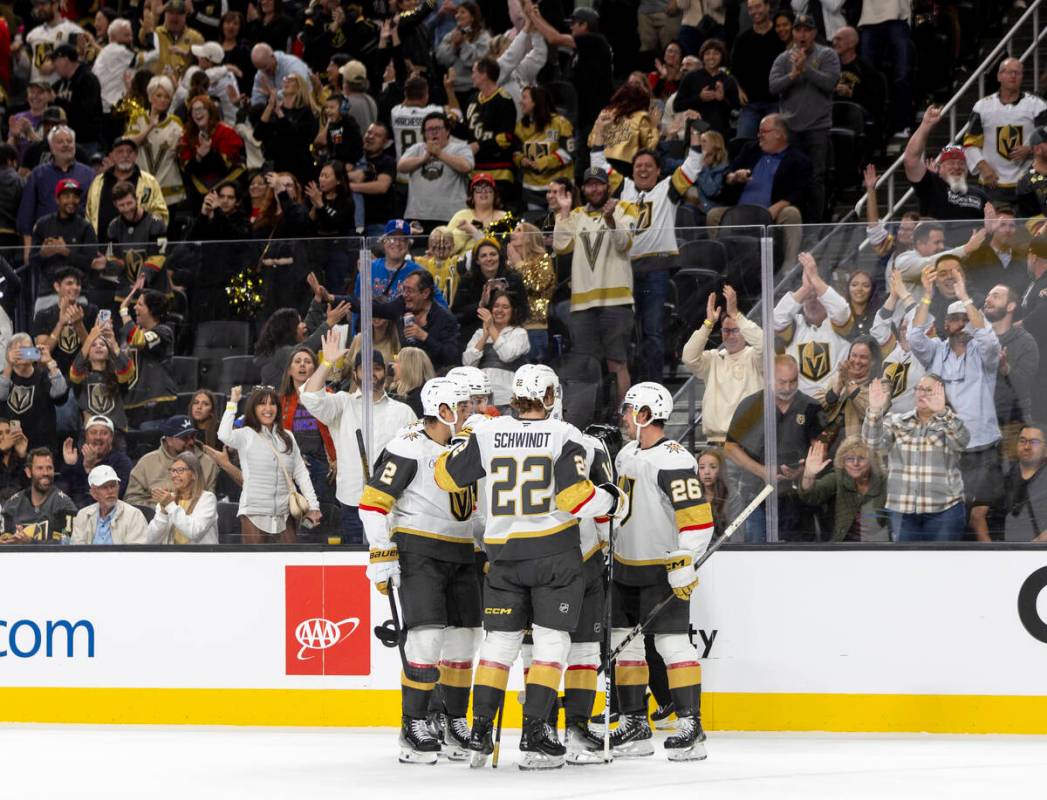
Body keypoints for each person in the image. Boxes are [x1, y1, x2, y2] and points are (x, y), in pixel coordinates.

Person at [434, 363, 627, 769]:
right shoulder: (565, 435)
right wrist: (611, 500)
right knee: (552, 644)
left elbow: (447, 477)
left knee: (498, 645)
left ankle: (481, 729)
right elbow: (575, 497)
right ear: (552, 396)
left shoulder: (487, 432)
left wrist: (461, 437)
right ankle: (535, 729)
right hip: (553, 555)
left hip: (503, 557)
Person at [357, 377, 478, 763]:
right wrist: (382, 553)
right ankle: (414, 723)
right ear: (442, 410)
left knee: (464, 642)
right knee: (425, 640)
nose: (467, 413)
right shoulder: (406, 445)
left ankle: (454, 720)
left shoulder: (467, 446)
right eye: (461, 407)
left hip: (462, 552)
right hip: (420, 551)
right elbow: (373, 503)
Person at [607, 381, 712, 760]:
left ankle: (691, 724)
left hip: (660, 567)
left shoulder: (674, 458)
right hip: (624, 565)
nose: (622, 416)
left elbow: (698, 519)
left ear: (645, 414)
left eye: (628, 409)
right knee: (626, 646)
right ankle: (634, 723)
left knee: (671, 644)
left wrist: (685, 559)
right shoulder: (626, 454)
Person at [590, 123, 702, 382]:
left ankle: (655, 388)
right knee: (627, 333)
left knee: (652, 332)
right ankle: (633, 387)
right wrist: (599, 133)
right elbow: (597, 163)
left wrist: (695, 131)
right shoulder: (623, 188)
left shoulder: (668, 190)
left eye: (648, 166)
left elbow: (694, 164)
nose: (642, 169)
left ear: (658, 170)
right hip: (624, 271)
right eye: (638, 165)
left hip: (656, 270)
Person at [910, 264, 1002, 540]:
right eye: (955, 319)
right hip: (948, 449)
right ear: (945, 325)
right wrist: (927, 295)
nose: (960, 323)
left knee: (982, 517)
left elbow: (989, 339)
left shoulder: (983, 354)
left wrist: (964, 295)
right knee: (951, 515)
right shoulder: (936, 351)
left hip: (983, 448)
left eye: (965, 318)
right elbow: (914, 337)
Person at [302, 341, 417, 545]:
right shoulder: (342, 403)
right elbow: (310, 398)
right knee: (355, 568)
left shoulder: (403, 411)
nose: (372, 372)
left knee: (390, 567)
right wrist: (327, 363)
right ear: (355, 373)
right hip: (353, 503)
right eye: (365, 368)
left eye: (377, 368)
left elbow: (415, 457)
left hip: (391, 504)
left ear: (385, 373)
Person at [552, 167, 638, 406]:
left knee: (617, 362)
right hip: (582, 303)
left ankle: (622, 418)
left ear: (607, 186)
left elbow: (624, 243)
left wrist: (610, 219)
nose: (594, 189)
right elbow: (561, 246)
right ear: (583, 189)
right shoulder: (577, 214)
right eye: (589, 184)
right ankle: (590, 416)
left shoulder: (624, 208)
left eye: (598, 184)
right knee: (586, 366)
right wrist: (564, 211)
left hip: (616, 301)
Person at [725, 355, 824, 542]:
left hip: (797, 497)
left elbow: (819, 448)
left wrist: (802, 470)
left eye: (793, 381)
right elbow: (730, 447)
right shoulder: (752, 405)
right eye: (782, 382)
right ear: (769, 378)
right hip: (756, 493)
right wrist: (763, 471)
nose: (788, 388)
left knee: (799, 554)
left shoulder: (811, 406)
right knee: (756, 552)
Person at [864, 374, 970, 542]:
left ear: (942, 394)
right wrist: (875, 412)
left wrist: (942, 412)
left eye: (929, 390)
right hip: (903, 510)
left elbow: (962, 442)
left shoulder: (950, 422)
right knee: (906, 566)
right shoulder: (896, 421)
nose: (922, 393)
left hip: (945, 509)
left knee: (944, 565)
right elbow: (873, 443)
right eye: (919, 389)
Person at [219, 385, 321, 544]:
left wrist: (313, 506)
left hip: (285, 514)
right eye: (262, 403)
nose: (268, 408)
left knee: (289, 563)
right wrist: (233, 402)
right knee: (255, 566)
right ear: (253, 408)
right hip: (254, 513)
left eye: (272, 403)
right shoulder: (246, 434)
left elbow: (301, 473)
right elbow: (223, 435)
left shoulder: (288, 436)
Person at [708, 114, 810, 268]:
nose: (759, 135)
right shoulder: (750, 149)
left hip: (771, 214)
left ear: (779, 134)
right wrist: (734, 177)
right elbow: (727, 174)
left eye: (763, 131)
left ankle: (788, 271)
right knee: (713, 215)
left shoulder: (798, 160)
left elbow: (799, 192)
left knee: (791, 213)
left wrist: (777, 207)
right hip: (740, 212)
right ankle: (721, 268)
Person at [767, 14, 839, 222]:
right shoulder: (782, 59)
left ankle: (815, 225)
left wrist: (805, 68)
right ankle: (795, 221)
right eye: (798, 30)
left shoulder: (827, 55)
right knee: (791, 179)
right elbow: (773, 87)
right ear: (793, 33)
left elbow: (830, 83)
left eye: (807, 30)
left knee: (816, 177)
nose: (802, 34)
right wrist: (792, 75)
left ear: (814, 33)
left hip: (817, 127)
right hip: (790, 129)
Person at [682, 286, 764, 444]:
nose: (730, 335)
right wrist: (708, 323)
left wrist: (736, 314)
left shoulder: (755, 357)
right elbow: (688, 357)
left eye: (735, 330)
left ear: (744, 332)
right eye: (726, 330)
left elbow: (764, 343)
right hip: (715, 443)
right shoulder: (713, 358)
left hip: (748, 443)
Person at [962, 58, 1047, 204]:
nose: (1013, 76)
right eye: (1009, 72)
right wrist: (982, 166)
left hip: (1029, 181)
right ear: (999, 76)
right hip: (991, 182)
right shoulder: (982, 106)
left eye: (1018, 73)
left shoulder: (1037, 105)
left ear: (1022, 77)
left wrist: (1030, 149)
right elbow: (970, 143)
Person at [773, 252, 852, 399]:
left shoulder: (837, 325)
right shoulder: (795, 325)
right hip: (799, 405)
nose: (812, 300)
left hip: (834, 401)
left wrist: (816, 280)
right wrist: (805, 288)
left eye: (816, 296)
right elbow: (776, 320)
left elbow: (841, 311)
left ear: (825, 298)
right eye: (808, 297)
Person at [903, 107, 988, 229]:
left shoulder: (980, 195)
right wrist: (925, 126)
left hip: (973, 246)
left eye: (961, 163)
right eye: (950, 163)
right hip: (939, 246)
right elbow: (910, 160)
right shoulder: (932, 186)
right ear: (940, 169)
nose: (957, 167)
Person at [984, 284, 1040, 463]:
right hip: (979, 422)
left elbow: (1024, 385)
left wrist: (1005, 368)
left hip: (1011, 426)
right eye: (988, 296)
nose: (988, 299)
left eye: (996, 296)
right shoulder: (977, 339)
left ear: (1011, 306)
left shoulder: (1026, 342)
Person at [797, 437, 889, 542]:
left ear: (873, 461)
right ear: (843, 462)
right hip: (842, 547)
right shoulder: (838, 477)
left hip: (879, 547)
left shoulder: (884, 482)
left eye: (861, 458)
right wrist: (809, 473)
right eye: (850, 458)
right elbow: (810, 495)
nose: (855, 463)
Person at [399, 112, 474, 232]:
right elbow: (401, 166)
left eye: (438, 128)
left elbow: (466, 167)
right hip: (418, 216)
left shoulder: (460, 148)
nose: (433, 132)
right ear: (424, 133)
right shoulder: (417, 148)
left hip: (452, 216)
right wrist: (423, 159)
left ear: (448, 131)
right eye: (429, 129)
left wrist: (439, 153)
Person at [124, 414, 219, 506]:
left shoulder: (208, 464)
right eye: (185, 438)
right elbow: (131, 499)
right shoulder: (147, 463)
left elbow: (210, 502)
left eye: (193, 436)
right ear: (169, 440)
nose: (191, 442)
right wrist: (159, 509)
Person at [452, 237, 527, 353]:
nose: (489, 259)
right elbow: (457, 315)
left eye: (493, 254)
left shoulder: (513, 279)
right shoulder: (467, 281)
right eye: (484, 256)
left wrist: (504, 298)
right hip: (474, 335)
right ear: (477, 260)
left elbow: (523, 310)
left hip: (507, 334)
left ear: (499, 257)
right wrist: (481, 304)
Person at [85, 137, 168, 240]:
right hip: (102, 248)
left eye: (130, 151)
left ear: (136, 155)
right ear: (111, 156)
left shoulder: (150, 182)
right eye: (120, 151)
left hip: (140, 249)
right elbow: (89, 215)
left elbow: (161, 215)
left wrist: (148, 239)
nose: (125, 155)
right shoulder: (98, 181)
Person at [27, 176, 98, 297]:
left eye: (75, 197)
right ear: (57, 199)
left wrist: (65, 252)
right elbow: (32, 260)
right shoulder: (43, 224)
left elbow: (91, 263)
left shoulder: (86, 227)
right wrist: (43, 253)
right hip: (47, 292)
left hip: (78, 293)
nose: (71, 201)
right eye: (66, 196)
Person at [125, 76, 187, 213]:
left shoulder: (176, 123)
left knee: (168, 231)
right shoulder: (138, 118)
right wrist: (150, 127)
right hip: (144, 186)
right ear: (150, 97)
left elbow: (183, 151)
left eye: (167, 97)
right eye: (158, 95)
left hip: (169, 187)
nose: (163, 100)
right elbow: (128, 144)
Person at [119, 284, 178, 426]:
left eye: (140, 304)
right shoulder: (131, 332)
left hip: (156, 403)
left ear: (152, 310)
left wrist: (123, 312)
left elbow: (139, 340)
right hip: (130, 404)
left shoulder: (164, 332)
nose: (135, 308)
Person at [0, 333, 68, 456]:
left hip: (42, 448)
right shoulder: (5, 376)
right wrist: (9, 365)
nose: (23, 353)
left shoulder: (44, 376)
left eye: (27, 349)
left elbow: (60, 394)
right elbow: (1, 396)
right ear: (9, 353)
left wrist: (50, 362)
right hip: (9, 449)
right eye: (18, 350)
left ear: (34, 351)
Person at [178, 94, 246, 212]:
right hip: (198, 198)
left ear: (210, 111)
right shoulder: (187, 136)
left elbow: (226, 167)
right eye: (194, 110)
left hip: (229, 191)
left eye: (202, 108)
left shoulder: (227, 132)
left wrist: (210, 153)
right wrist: (199, 157)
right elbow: (186, 170)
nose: (198, 112)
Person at [462, 290, 530, 406]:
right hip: (480, 398)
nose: (499, 310)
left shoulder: (519, 333)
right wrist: (484, 336)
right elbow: (467, 363)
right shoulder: (479, 333)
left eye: (505, 307)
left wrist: (491, 327)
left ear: (513, 311)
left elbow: (507, 355)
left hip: (506, 397)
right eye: (496, 306)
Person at [514, 85, 575, 211]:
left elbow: (568, 153)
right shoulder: (520, 126)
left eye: (524, 97)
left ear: (536, 101)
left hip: (559, 187)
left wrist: (543, 162)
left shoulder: (559, 123)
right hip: (532, 189)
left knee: (557, 226)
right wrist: (521, 160)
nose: (521, 101)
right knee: (536, 227)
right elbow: (515, 151)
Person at [254, 73, 320, 184]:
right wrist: (270, 106)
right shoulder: (275, 111)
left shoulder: (307, 112)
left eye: (291, 79)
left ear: (300, 86)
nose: (286, 81)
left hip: (299, 168)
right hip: (275, 166)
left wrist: (279, 112)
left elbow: (296, 139)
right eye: (285, 79)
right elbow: (258, 134)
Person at [0, 447, 76, 543]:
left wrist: (30, 542)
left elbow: (65, 545)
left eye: (49, 468)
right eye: (40, 468)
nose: (45, 473)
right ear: (28, 472)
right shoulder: (12, 505)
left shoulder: (65, 505)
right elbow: (3, 541)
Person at [585, 83, 660, 179]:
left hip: (599, 163)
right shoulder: (641, 116)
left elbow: (591, 142)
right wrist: (654, 127)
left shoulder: (605, 113)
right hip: (626, 168)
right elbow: (649, 148)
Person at [145, 451, 220, 544]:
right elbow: (150, 540)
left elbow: (194, 532)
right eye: (172, 470)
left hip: (200, 557)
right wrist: (163, 513)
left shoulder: (207, 499)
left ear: (194, 474)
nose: (174, 475)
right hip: (173, 556)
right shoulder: (168, 499)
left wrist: (170, 506)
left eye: (180, 470)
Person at [506, 222, 555, 362]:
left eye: (519, 230)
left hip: (534, 328)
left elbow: (537, 286)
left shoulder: (543, 259)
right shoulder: (509, 264)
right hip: (511, 328)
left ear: (529, 237)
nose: (512, 233)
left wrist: (519, 264)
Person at [673, 39, 741, 138]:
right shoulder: (690, 77)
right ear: (702, 56)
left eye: (716, 53)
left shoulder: (729, 81)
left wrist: (722, 100)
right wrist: (699, 98)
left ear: (722, 56)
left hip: (721, 134)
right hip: (696, 131)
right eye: (707, 53)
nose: (711, 57)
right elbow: (677, 106)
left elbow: (735, 112)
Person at [821, 336, 882, 446]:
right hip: (827, 439)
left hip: (858, 445)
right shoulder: (838, 378)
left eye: (863, 357)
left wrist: (848, 382)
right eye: (854, 355)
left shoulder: (881, 384)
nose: (857, 361)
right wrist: (839, 384)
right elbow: (821, 406)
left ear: (873, 361)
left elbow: (869, 410)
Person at [71, 464, 149, 544]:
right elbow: (76, 551)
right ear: (93, 493)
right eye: (104, 487)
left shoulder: (134, 515)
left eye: (113, 486)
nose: (110, 491)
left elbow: (135, 552)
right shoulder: (83, 515)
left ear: (118, 487)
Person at [436, 2, 490, 109]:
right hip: (452, 89)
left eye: (463, 12)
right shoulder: (451, 35)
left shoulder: (483, 36)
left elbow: (477, 61)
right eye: (457, 13)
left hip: (473, 89)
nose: (457, 15)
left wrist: (463, 44)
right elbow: (441, 58)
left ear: (473, 17)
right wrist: (454, 46)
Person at [51, 44, 104, 156]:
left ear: (65, 60)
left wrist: (56, 100)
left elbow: (85, 110)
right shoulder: (60, 84)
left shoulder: (88, 80)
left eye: (55, 60)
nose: (54, 65)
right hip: (68, 141)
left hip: (87, 141)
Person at [446, 173, 510, 255]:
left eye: (488, 188)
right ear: (472, 196)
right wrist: (463, 232)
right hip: (461, 262)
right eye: (478, 189)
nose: (483, 192)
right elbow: (446, 247)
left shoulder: (505, 217)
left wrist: (472, 230)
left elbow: (509, 248)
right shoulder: (460, 216)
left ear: (495, 194)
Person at [1004, 422, 1047, 542]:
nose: (1027, 446)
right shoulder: (1005, 477)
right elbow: (980, 518)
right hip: (1006, 553)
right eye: (1022, 441)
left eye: (1034, 442)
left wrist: (1038, 543)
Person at [140, 0, 204, 80]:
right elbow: (143, 40)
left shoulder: (196, 38)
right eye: (171, 13)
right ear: (165, 14)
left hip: (183, 86)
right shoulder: (156, 33)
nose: (174, 17)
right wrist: (152, 20)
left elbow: (202, 64)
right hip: (157, 85)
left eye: (179, 13)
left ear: (185, 15)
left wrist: (186, 55)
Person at [697, 446, 730, 539]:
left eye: (713, 467)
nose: (707, 472)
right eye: (702, 467)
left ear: (721, 470)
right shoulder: (692, 497)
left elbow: (736, 537)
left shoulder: (732, 498)